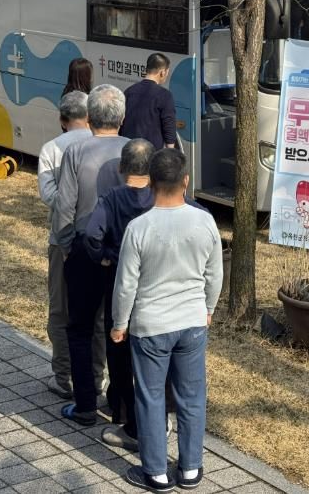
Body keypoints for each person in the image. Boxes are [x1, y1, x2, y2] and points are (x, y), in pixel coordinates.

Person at [111, 149, 223, 492]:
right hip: (192, 321)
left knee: (150, 396)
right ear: (185, 182)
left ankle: (156, 473)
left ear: (151, 184)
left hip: (151, 325)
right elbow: (215, 273)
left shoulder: (138, 228)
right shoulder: (205, 221)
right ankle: (190, 468)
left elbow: (126, 284)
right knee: (191, 396)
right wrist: (208, 308)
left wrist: (119, 323)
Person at [84, 141, 208, 449]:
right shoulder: (184, 205)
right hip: (174, 295)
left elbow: (92, 235)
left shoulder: (113, 200)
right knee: (167, 369)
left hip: (124, 287)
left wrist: (104, 257)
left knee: (122, 359)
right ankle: (165, 424)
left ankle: (130, 420)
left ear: (121, 167)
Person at [53, 84, 129, 426]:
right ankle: (120, 405)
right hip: (125, 251)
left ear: (90, 117)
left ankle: (85, 404)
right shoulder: (135, 149)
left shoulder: (76, 151)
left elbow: (64, 207)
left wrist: (66, 246)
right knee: (120, 328)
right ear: (122, 117)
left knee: (81, 327)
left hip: (84, 248)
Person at [38, 91, 98, 399]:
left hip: (62, 238)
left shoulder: (51, 148)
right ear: (89, 117)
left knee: (60, 308)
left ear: (62, 120)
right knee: (97, 312)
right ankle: (97, 376)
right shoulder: (101, 144)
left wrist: (67, 203)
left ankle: (63, 376)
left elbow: (48, 194)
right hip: (97, 238)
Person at [120, 53, 176, 150]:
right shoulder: (164, 95)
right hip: (151, 153)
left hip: (129, 150)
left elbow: (121, 122)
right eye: (167, 72)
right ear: (162, 72)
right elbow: (169, 128)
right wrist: (170, 152)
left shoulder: (129, 91)